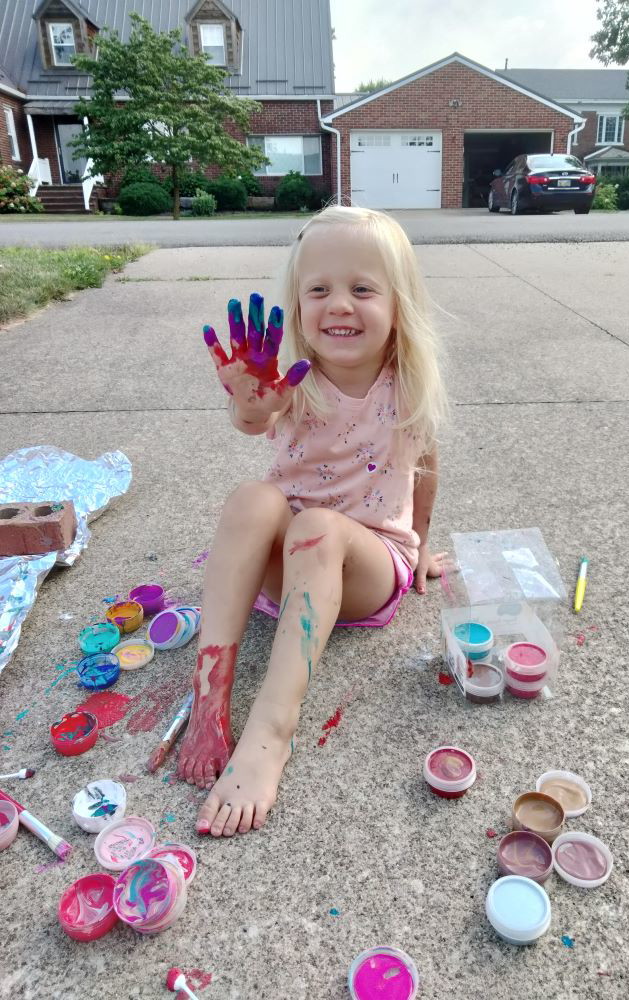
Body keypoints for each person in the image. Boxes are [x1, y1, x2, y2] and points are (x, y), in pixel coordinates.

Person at [177, 205, 448, 838]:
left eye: (362, 288)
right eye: (318, 289)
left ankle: (271, 732)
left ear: (398, 304)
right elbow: (254, 422)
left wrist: (424, 550)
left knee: (315, 527)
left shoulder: (406, 385)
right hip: (292, 568)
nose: (339, 305)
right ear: (297, 305)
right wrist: (251, 404)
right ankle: (209, 692)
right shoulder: (287, 379)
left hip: (367, 564)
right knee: (253, 498)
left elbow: (426, 473)